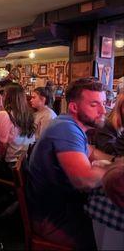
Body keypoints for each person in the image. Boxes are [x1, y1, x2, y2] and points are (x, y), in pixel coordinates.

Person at [27, 77, 115, 250]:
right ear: (74, 107)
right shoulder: (65, 129)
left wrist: (114, 161)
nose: (103, 110)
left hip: (64, 209)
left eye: (104, 103)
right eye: (94, 104)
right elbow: (85, 180)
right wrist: (118, 169)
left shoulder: (69, 125)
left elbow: (90, 151)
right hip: (53, 218)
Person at [0, 84, 35, 178]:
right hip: (25, 166)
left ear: (7, 97)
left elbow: (2, 146)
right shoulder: (29, 114)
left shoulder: (4, 115)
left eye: (4, 95)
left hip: (11, 167)